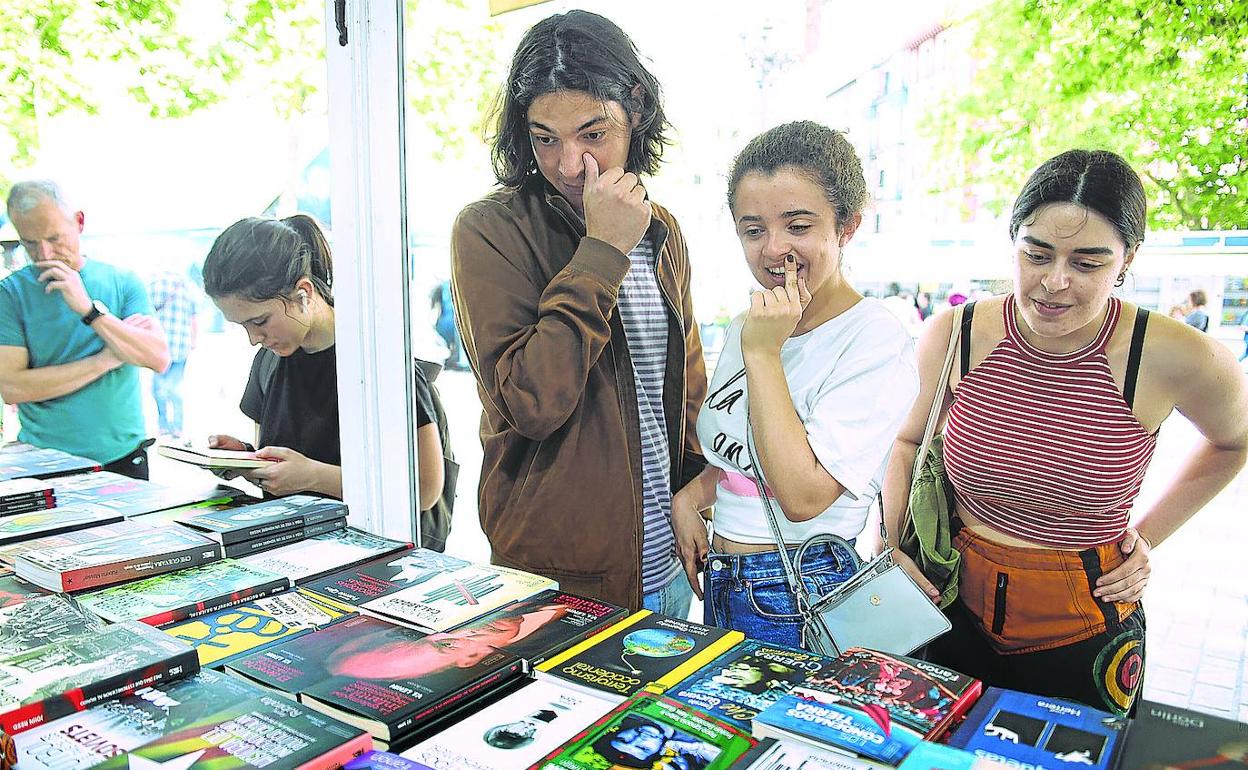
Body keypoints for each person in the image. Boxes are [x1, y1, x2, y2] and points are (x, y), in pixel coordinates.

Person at [881, 149, 1248, 716]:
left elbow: (1234, 440)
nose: (1054, 283)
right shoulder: (955, 334)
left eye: (1087, 263)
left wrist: (1148, 536)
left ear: (1127, 260)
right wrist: (889, 545)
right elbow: (906, 443)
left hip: (1085, 630)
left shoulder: (1175, 355)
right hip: (948, 609)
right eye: (1037, 255)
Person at [451, 11, 707, 612]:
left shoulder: (661, 228)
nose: (570, 164)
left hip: (668, 562)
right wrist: (601, 251)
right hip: (556, 573)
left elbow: (684, 382)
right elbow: (530, 403)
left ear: (635, 109)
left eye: (593, 134)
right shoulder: (490, 230)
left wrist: (697, 485)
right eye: (545, 138)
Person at [670, 121, 919, 647]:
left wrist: (763, 353)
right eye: (753, 229)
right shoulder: (749, 324)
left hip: (804, 588)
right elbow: (743, 456)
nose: (774, 248)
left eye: (798, 226)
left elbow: (803, 494)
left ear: (846, 225)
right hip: (722, 580)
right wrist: (690, 498)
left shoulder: (872, 336)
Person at [203, 216, 447, 527]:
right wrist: (246, 459)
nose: (254, 339)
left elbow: (424, 490)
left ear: (302, 292)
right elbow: (278, 464)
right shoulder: (269, 362)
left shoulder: (379, 363)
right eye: (243, 326)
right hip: (291, 550)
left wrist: (315, 477)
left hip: (372, 557)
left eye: (260, 321)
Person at [0, 181, 170, 478]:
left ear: (79, 222)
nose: (44, 253)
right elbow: (13, 388)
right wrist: (106, 360)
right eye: (29, 243)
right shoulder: (10, 293)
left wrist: (89, 310)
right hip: (45, 460)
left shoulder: (122, 280)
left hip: (122, 456)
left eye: (55, 238)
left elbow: (157, 358)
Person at [148, 269, 197, 439]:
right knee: (175, 389)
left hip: (159, 348)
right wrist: (193, 341)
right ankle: (177, 427)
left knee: (158, 389)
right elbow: (193, 317)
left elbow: (147, 314)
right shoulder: (187, 286)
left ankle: (163, 426)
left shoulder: (154, 284)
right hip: (181, 346)